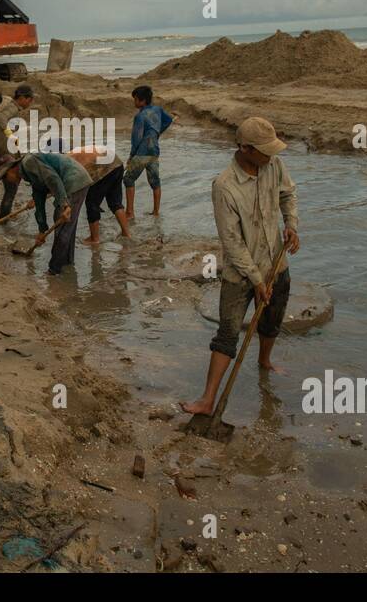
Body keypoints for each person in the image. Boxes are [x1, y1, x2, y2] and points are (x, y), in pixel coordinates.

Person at [181, 116, 300, 417]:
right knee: (228, 333)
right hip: (241, 273)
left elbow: (288, 194)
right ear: (245, 148)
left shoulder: (273, 166)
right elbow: (232, 244)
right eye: (264, 150)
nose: (270, 155)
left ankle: (265, 362)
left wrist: (292, 225)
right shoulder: (224, 187)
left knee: (272, 320)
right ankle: (208, 400)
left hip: (276, 262)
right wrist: (257, 281)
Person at [0, 149, 91, 275]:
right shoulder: (27, 172)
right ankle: (67, 263)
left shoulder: (29, 162)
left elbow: (53, 179)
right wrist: (42, 229)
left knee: (62, 224)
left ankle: (54, 270)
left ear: (11, 169)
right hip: (75, 180)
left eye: (5, 177)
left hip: (74, 180)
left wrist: (64, 204)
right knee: (67, 227)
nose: (7, 181)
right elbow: (39, 199)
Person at [124, 85, 174, 219]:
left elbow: (136, 139)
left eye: (135, 99)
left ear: (142, 101)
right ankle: (156, 212)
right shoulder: (158, 110)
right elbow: (169, 120)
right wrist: (157, 133)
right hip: (154, 151)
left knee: (128, 179)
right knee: (155, 182)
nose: (134, 102)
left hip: (142, 152)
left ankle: (130, 212)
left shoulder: (139, 116)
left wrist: (131, 156)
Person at [68, 145, 132, 243]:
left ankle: (94, 239)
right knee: (115, 202)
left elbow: (76, 184)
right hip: (117, 163)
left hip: (105, 168)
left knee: (91, 203)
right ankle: (126, 233)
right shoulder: (73, 154)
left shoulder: (68, 161)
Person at [0, 84, 35, 218]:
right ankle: (3, 221)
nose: (30, 102)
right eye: (29, 99)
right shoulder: (12, 108)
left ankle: (5, 217)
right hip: (2, 154)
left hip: (0, 152)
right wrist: (10, 135)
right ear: (22, 98)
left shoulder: (12, 106)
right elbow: (2, 118)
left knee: (10, 188)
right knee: (11, 189)